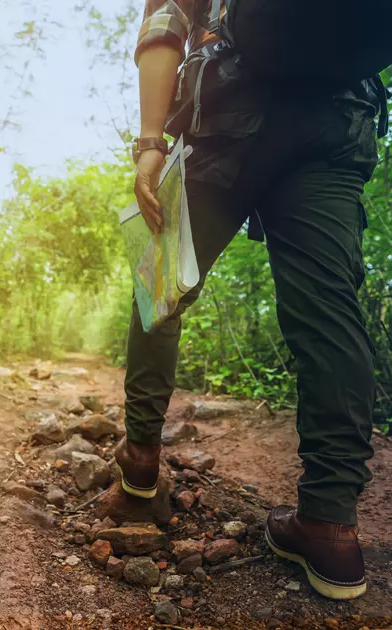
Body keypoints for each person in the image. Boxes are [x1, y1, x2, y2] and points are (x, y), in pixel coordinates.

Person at [115, 0, 387, 600]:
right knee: (331, 312)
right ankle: (332, 524)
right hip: (335, 123)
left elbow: (166, 25)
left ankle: (139, 464)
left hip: (225, 116)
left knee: (161, 281)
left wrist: (150, 143)